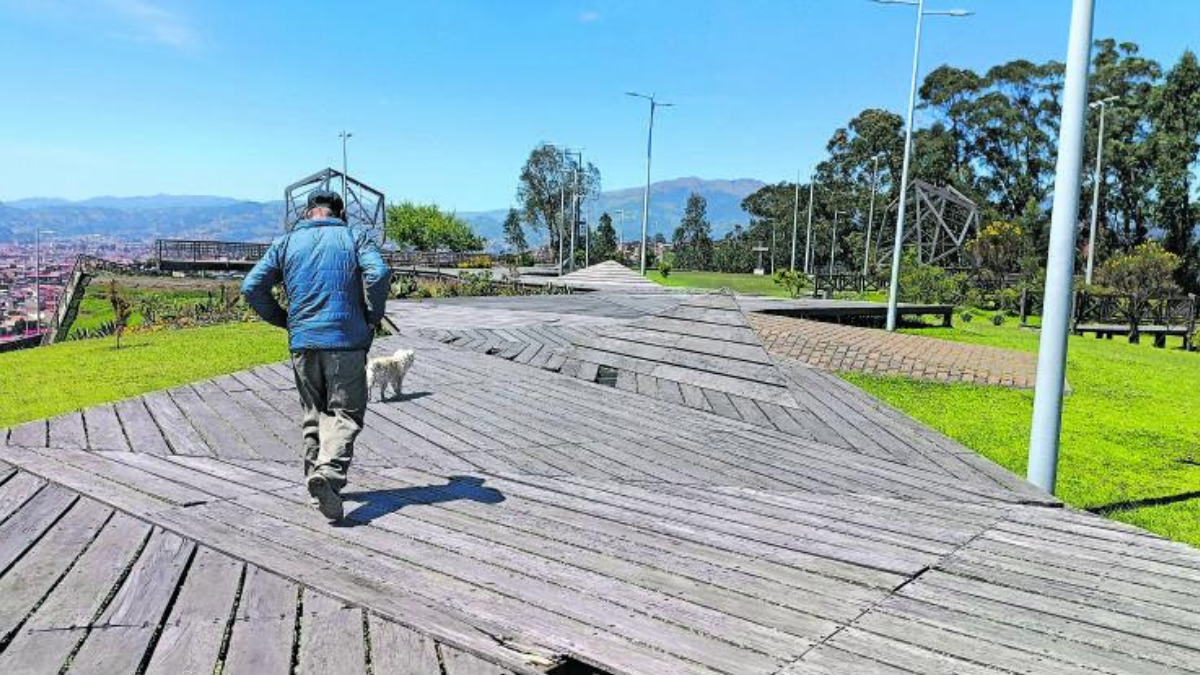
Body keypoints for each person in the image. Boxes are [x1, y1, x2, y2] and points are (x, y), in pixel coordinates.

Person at [242, 190, 391, 521]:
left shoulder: (286, 243)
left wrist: (284, 319)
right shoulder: (354, 236)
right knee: (346, 415)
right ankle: (329, 475)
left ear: (309, 213)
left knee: (314, 413)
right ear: (340, 213)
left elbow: (251, 286)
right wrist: (373, 315)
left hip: (304, 341)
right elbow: (378, 274)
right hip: (346, 339)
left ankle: (315, 484)